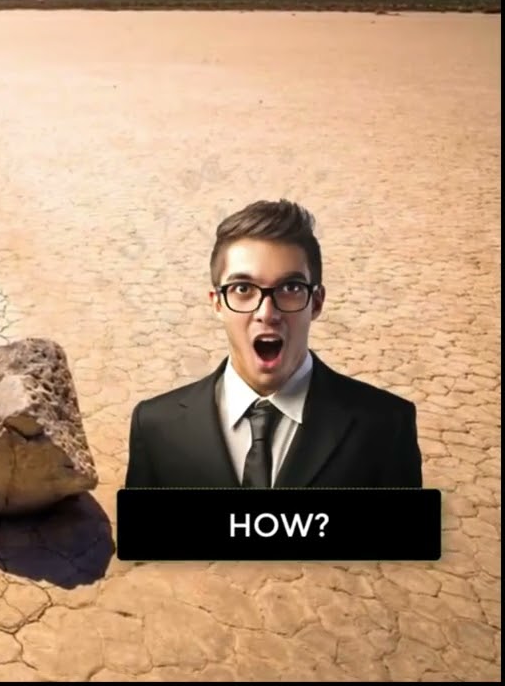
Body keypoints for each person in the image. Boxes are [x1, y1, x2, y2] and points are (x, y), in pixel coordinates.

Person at [125, 199, 422, 488]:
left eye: (290, 288)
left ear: (316, 302)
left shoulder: (386, 427)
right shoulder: (155, 427)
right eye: (243, 289)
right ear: (217, 304)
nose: (267, 313)